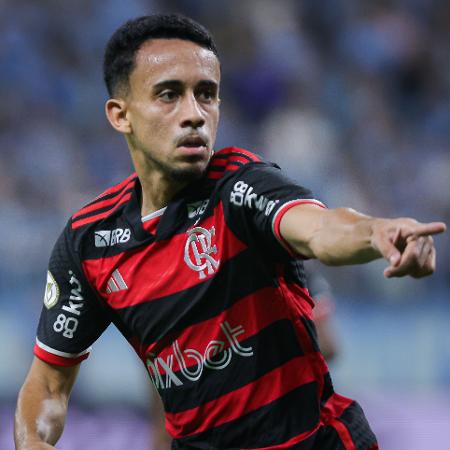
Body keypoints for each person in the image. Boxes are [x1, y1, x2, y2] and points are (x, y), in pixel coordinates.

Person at [14, 14, 445, 450]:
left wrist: (376, 234)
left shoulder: (241, 187)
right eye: (169, 95)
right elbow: (48, 384)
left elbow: (321, 229)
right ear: (120, 115)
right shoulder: (89, 242)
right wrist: (33, 441)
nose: (195, 114)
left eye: (207, 95)